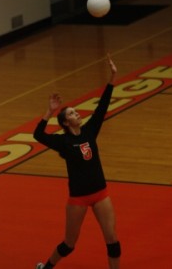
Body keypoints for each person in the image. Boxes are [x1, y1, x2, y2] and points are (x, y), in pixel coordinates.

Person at [33, 54, 121, 269]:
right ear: (65, 122)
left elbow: (102, 106)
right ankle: (46, 267)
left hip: (100, 193)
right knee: (69, 244)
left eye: (75, 111)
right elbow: (38, 135)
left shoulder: (90, 130)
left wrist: (113, 77)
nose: (77, 113)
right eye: (72, 113)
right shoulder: (62, 141)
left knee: (113, 240)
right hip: (78, 198)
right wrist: (49, 111)